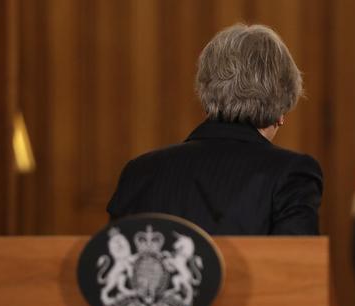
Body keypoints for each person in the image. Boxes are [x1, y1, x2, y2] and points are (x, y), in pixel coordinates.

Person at [107, 24, 322, 235]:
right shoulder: (291, 174)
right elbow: (295, 268)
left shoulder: (139, 172)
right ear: (281, 111)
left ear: (205, 90)